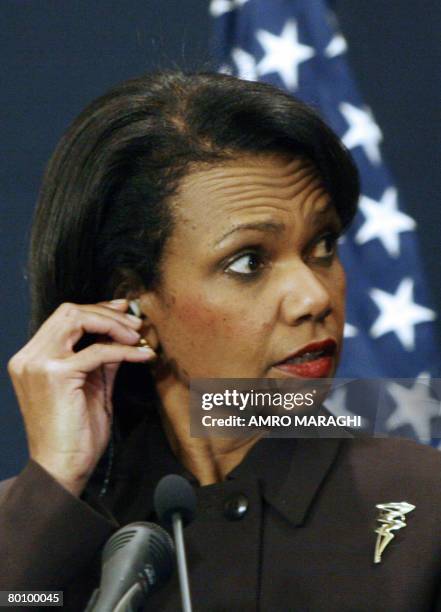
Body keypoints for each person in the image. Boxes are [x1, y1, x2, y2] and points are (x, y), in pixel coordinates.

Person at [1, 70, 441, 612]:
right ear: (132, 306)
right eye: (249, 261)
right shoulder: (36, 527)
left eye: (322, 246)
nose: (314, 297)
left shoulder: (426, 506)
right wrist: (54, 484)